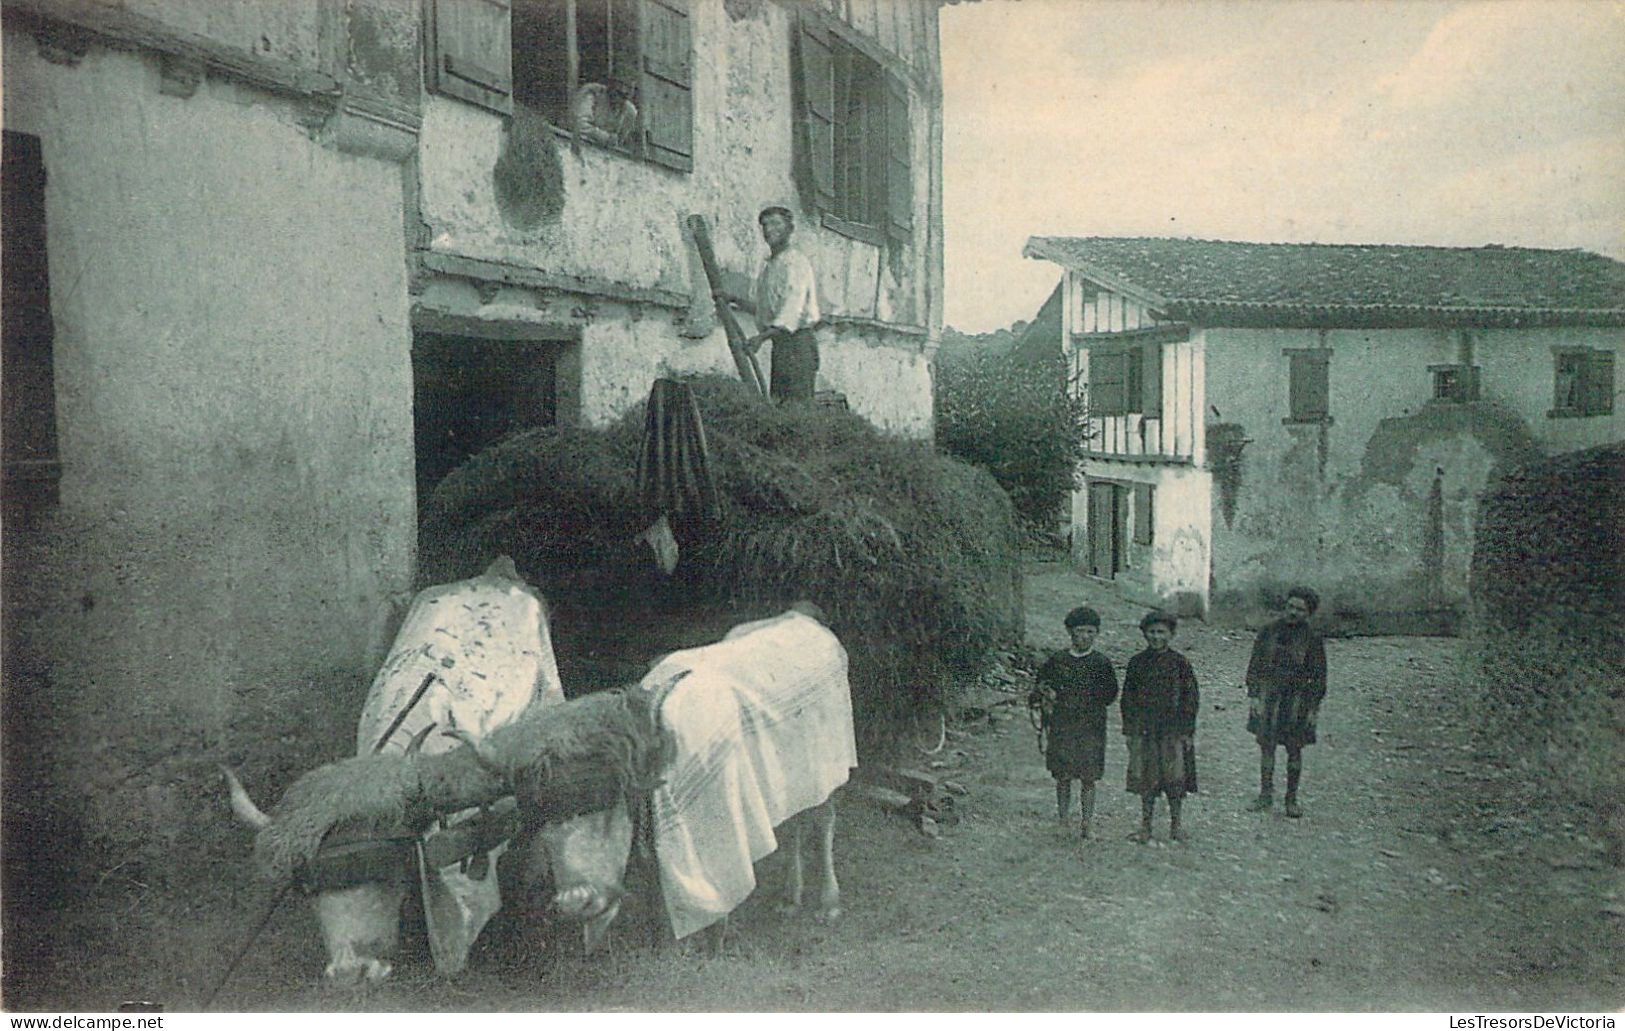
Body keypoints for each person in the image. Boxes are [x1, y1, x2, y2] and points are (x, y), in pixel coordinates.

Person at [1030, 606, 1118, 841]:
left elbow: (1110, 694)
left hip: (1091, 727)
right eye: (1080, 631)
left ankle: (1087, 823)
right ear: (1070, 632)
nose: (1085, 637)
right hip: (1062, 726)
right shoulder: (1058, 661)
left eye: (1091, 632)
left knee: (1089, 777)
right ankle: (1063, 820)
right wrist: (1046, 696)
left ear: (1096, 634)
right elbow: (1039, 687)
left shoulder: (1101, 663)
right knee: (1063, 775)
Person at [1244, 587, 1328, 818]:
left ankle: (1291, 799)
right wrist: (1254, 696)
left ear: (1308, 613)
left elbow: (1319, 677)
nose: (1293, 612)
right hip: (1269, 697)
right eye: (1290, 607)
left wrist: (1313, 708)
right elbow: (1255, 666)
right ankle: (1265, 795)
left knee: (1294, 749)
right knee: (1267, 747)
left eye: (1300, 609)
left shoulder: (1312, 639)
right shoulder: (1268, 632)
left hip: (1296, 702)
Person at [1120, 610, 1200, 843]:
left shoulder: (1180, 664)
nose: (1156, 637)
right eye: (1152, 632)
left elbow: (1191, 699)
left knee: (1176, 779)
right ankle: (1146, 827)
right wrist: (1129, 730)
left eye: (1161, 632)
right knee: (1146, 779)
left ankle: (1176, 826)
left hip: (1173, 731)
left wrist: (1187, 730)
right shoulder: (1137, 663)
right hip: (1145, 730)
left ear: (1171, 635)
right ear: (1145, 634)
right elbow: (1128, 699)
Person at [747, 206, 821, 402]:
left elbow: (792, 311)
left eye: (776, 224)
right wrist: (733, 299)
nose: (769, 230)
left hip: (798, 344)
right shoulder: (770, 265)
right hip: (780, 345)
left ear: (790, 229)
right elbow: (766, 309)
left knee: (796, 407)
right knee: (779, 403)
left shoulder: (795, 263)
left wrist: (761, 338)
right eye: (765, 225)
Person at [573, 79, 638, 147]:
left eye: (624, 95)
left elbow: (619, 143)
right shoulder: (593, 94)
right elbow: (580, 125)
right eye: (618, 91)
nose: (623, 90)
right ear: (611, 84)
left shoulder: (630, 111)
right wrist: (604, 137)